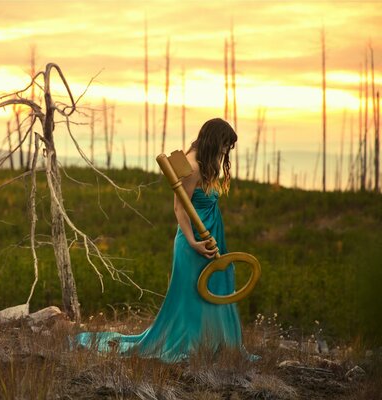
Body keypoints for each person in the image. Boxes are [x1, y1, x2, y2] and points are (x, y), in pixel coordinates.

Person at [71, 118, 256, 363]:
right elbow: (180, 209)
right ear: (213, 140)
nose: (225, 151)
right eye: (224, 145)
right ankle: (191, 346)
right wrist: (193, 242)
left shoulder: (205, 162)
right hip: (194, 240)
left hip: (212, 236)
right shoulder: (190, 166)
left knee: (218, 285)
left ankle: (215, 345)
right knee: (192, 295)